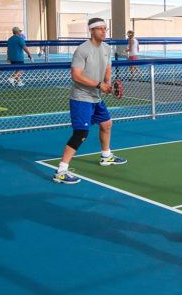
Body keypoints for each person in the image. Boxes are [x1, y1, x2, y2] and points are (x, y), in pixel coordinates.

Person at [52, 18, 127, 184]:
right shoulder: (82, 50)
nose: (103, 32)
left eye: (105, 29)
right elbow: (76, 76)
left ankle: (106, 156)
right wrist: (100, 85)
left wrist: (107, 83)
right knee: (80, 134)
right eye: (99, 29)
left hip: (96, 97)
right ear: (91, 31)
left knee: (107, 124)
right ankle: (61, 171)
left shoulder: (107, 48)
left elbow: (108, 68)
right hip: (81, 97)